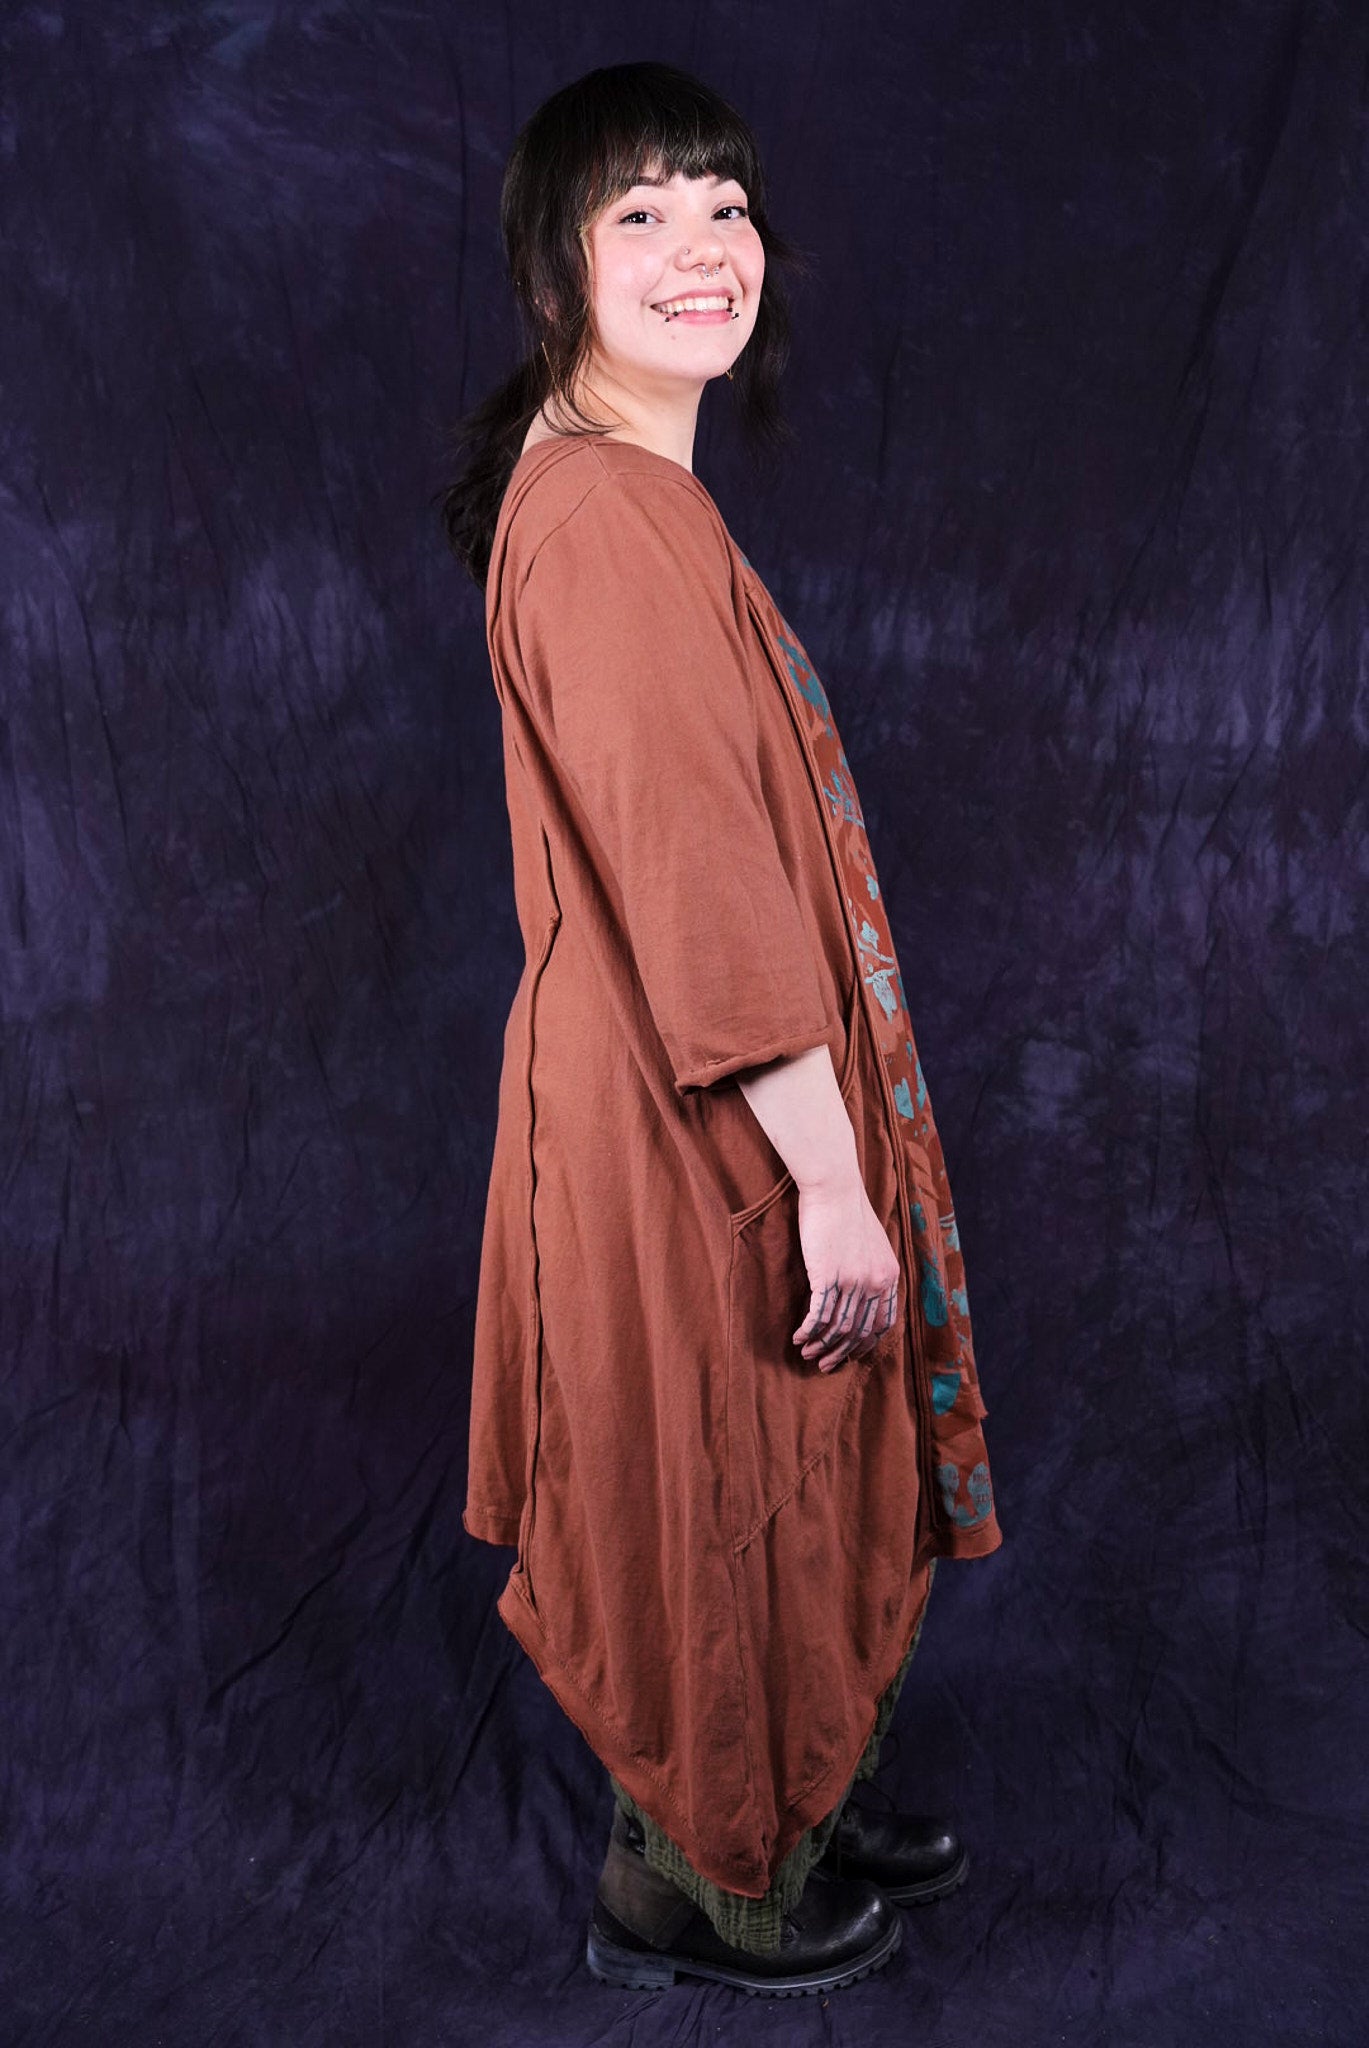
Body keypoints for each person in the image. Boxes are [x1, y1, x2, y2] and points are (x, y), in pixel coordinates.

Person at [440, 60, 1002, 1999]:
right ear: (553, 272)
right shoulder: (603, 516)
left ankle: (789, 1800)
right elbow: (693, 870)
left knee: (771, 1444)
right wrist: (829, 1178)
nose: (704, 247)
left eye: (726, 204)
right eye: (642, 213)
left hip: (689, 1086)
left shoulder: (616, 488)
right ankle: (691, 1879)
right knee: (711, 1469)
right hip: (691, 1104)